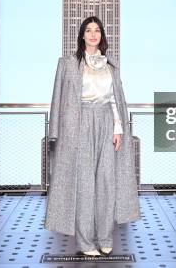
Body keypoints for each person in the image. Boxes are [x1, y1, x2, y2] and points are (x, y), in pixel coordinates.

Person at [44, 16, 140, 257]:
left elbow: (116, 100)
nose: (93, 34)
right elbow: (58, 98)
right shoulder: (68, 63)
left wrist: (118, 129)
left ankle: (105, 238)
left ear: (102, 36)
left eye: (97, 30)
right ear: (82, 35)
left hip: (106, 122)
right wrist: (56, 133)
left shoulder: (111, 65)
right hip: (78, 125)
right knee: (84, 185)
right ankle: (86, 242)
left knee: (107, 182)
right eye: (89, 30)